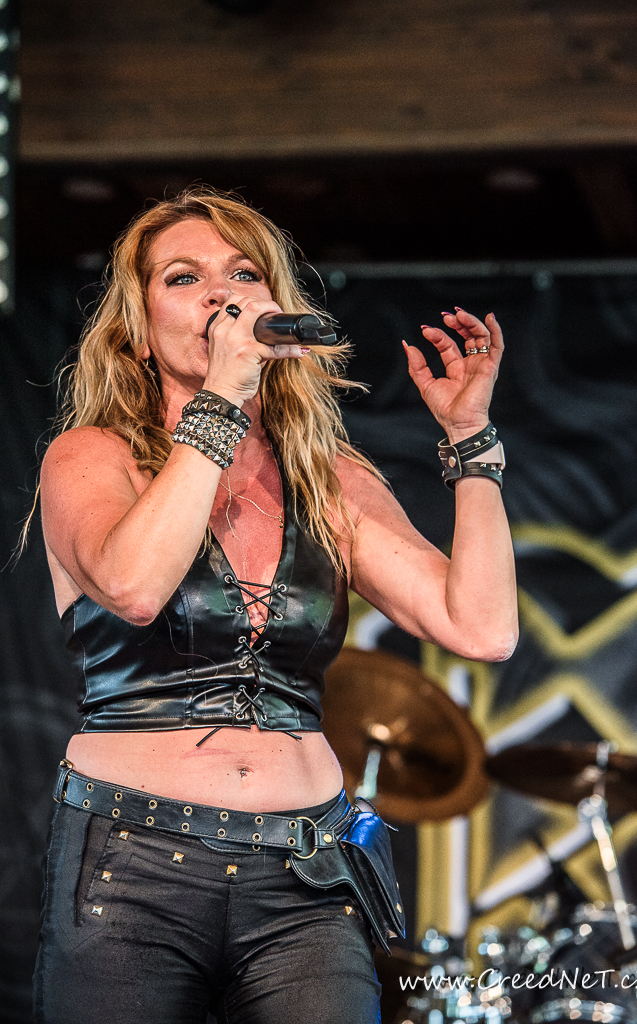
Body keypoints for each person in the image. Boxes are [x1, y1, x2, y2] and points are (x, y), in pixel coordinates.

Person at [33, 186, 518, 1024]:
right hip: (134, 864)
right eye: (184, 278)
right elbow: (136, 587)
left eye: (243, 273)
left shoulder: (331, 480)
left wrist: (471, 444)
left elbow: (481, 627)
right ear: (140, 331)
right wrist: (220, 401)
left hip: (305, 875)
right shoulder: (90, 457)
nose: (222, 295)